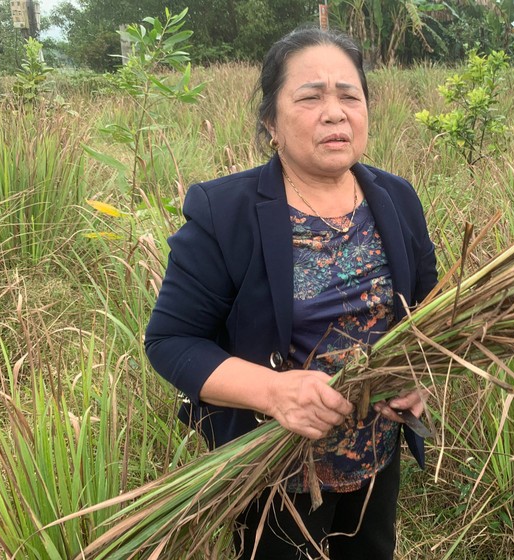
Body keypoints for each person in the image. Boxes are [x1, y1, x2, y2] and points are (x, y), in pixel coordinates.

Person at [144, 27, 438, 559]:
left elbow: (425, 309)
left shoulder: (396, 197)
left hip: (377, 457)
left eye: (350, 95)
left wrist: (418, 375)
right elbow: (171, 341)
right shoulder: (222, 211)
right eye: (310, 97)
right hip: (274, 470)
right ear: (270, 123)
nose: (335, 112)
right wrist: (275, 393)